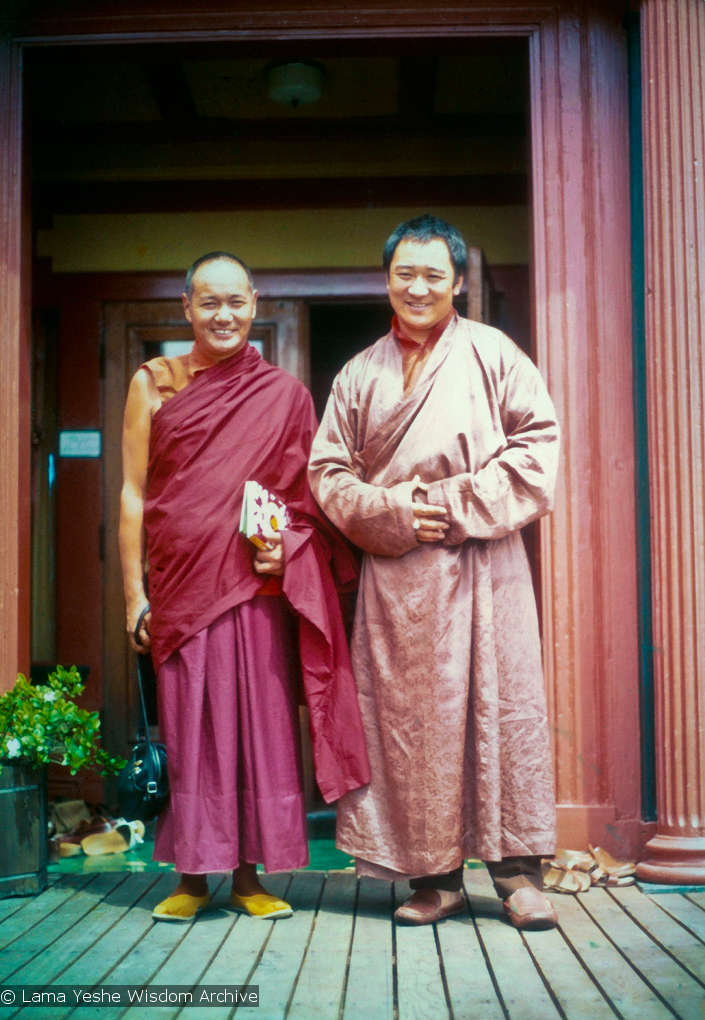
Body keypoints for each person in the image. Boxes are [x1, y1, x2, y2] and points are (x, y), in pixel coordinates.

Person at [308, 215, 560, 930]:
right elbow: (326, 473)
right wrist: (391, 513)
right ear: (386, 279)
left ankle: (517, 878)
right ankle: (435, 878)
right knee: (412, 727)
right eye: (404, 274)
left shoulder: (494, 354)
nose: (417, 288)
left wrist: (444, 506)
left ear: (457, 282)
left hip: (483, 564)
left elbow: (538, 453)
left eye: (432, 275)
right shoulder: (359, 373)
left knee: (499, 710)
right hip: (399, 581)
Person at [119, 251, 369, 923]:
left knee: (258, 730)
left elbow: (306, 504)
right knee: (193, 730)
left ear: (254, 303)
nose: (223, 314)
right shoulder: (155, 383)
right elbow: (133, 495)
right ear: (187, 308)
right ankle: (193, 879)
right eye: (209, 302)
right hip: (180, 586)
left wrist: (285, 551)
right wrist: (132, 597)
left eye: (235, 301)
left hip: (254, 592)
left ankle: (251, 877)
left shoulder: (285, 396)